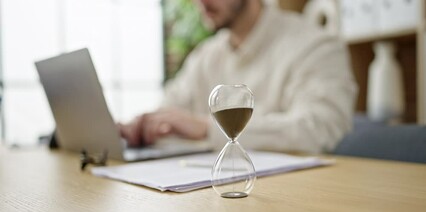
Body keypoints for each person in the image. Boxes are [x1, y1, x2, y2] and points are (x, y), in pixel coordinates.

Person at [119, 0, 357, 153]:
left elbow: (320, 130)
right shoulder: (205, 56)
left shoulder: (315, 45)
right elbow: (168, 111)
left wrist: (205, 128)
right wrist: (143, 127)